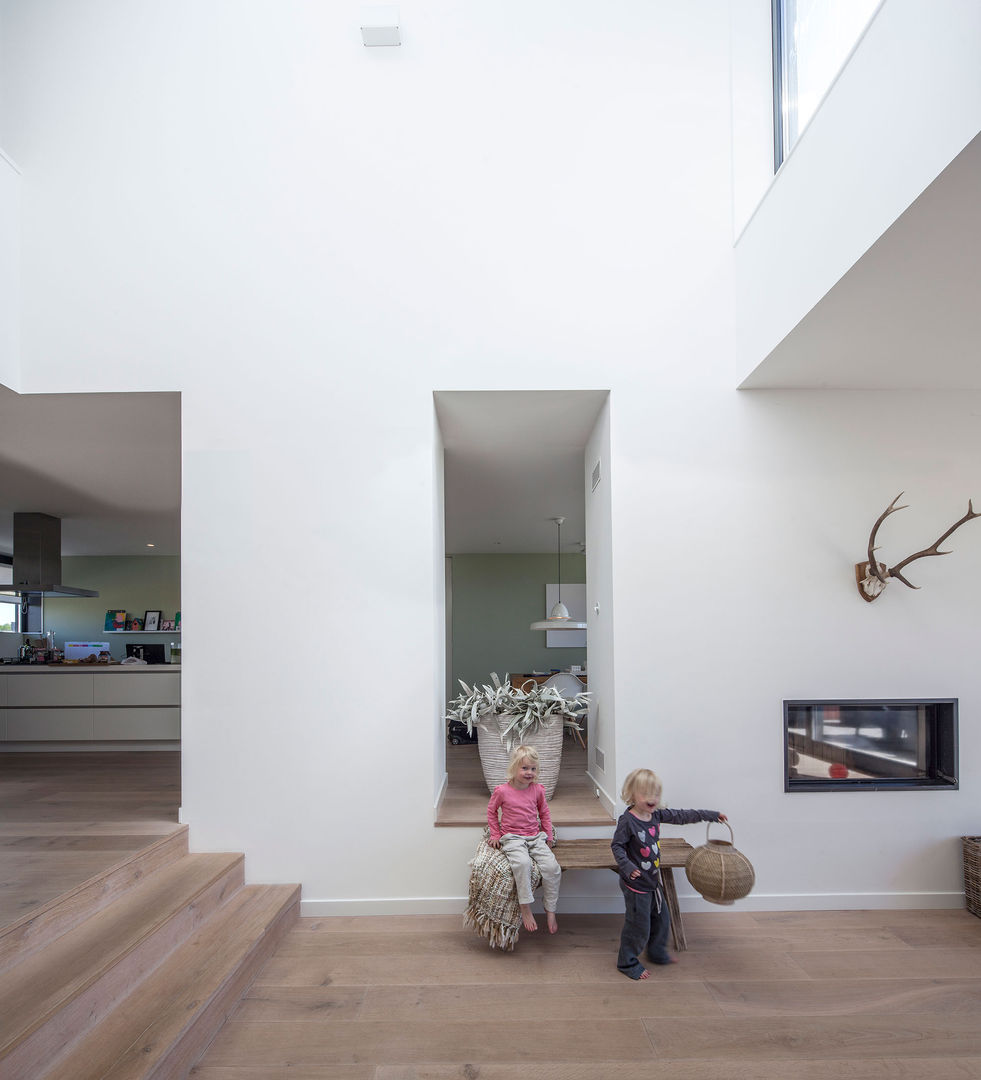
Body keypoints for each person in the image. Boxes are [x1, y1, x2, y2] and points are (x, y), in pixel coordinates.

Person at [611, 768, 726, 980]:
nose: (651, 799)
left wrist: (711, 815)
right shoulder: (627, 821)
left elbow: (683, 816)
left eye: (655, 794)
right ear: (632, 794)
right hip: (636, 885)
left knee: (663, 918)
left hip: (653, 882)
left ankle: (656, 952)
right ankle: (627, 963)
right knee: (638, 926)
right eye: (645, 794)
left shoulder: (656, 815)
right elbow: (617, 846)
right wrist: (627, 867)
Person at [486, 744, 561, 934]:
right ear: (514, 768)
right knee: (522, 864)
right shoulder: (502, 791)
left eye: (533, 769)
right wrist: (496, 833)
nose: (529, 772)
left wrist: (548, 835)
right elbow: (491, 812)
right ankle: (525, 906)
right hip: (512, 837)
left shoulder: (537, 790)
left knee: (553, 867)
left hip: (534, 836)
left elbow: (544, 813)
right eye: (525, 768)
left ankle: (550, 908)